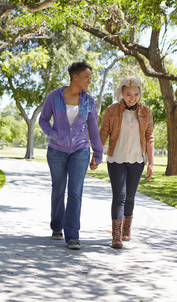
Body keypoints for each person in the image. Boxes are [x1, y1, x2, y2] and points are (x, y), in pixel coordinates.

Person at [39, 61, 103, 250]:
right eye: (86, 77)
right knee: (58, 189)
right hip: (56, 150)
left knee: (75, 192)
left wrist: (97, 153)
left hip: (80, 150)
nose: (89, 81)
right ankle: (57, 226)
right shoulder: (55, 97)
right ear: (75, 77)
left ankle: (73, 235)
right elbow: (43, 120)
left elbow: (93, 129)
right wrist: (54, 134)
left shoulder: (88, 101)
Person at [92, 76, 154, 249]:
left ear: (140, 94)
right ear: (121, 93)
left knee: (130, 197)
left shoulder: (146, 111)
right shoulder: (112, 110)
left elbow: (150, 137)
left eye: (135, 94)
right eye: (128, 94)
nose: (132, 98)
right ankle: (116, 236)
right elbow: (103, 133)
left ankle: (127, 229)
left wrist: (150, 163)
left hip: (137, 160)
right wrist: (96, 155)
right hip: (116, 159)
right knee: (119, 196)